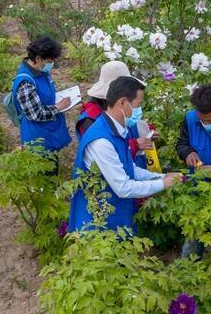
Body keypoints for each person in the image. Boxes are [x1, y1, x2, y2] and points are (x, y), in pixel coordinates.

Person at [68, 76, 182, 235]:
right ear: (122, 103)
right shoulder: (101, 141)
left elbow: (130, 168)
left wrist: (161, 177)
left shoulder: (118, 130)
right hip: (97, 221)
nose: (139, 111)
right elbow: (123, 187)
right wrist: (163, 184)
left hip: (114, 211)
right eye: (138, 105)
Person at [76, 61, 156, 169]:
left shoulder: (122, 107)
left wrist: (146, 131)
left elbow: (129, 126)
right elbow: (102, 157)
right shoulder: (90, 119)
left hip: (131, 167)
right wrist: (135, 144)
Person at [11, 36, 72, 156]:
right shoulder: (25, 82)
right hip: (37, 137)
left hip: (49, 132)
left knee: (52, 168)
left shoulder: (41, 72)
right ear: (38, 58)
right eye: (49, 62)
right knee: (43, 170)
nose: (51, 65)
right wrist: (58, 107)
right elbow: (35, 113)